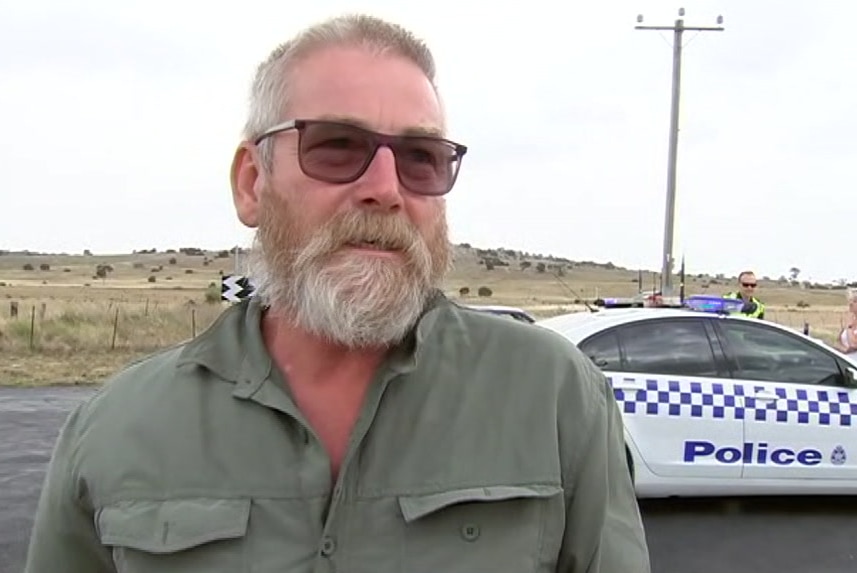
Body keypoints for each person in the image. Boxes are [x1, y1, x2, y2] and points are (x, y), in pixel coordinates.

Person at [24, 13, 650, 573]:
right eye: (336, 147)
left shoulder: (554, 399)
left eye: (421, 157)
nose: (386, 187)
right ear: (252, 183)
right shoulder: (114, 431)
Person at [834, 288, 857, 356]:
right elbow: (837, 342)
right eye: (850, 300)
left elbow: (853, 345)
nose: (850, 303)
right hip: (845, 360)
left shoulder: (849, 323)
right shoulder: (848, 320)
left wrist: (849, 328)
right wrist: (844, 349)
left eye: (855, 301)